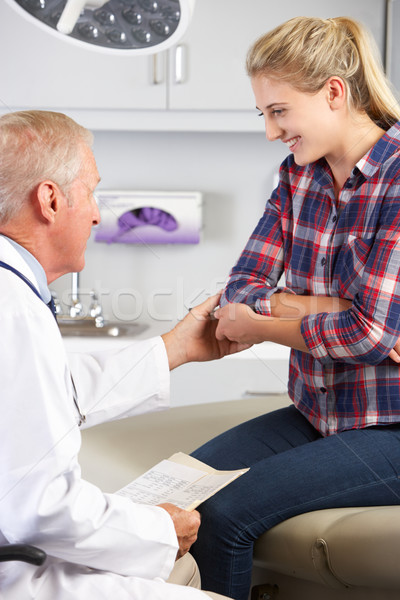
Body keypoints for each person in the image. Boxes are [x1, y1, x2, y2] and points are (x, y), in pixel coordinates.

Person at [190, 15, 400, 600]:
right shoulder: (296, 177)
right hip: (319, 414)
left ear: (334, 92)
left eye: (278, 111)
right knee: (181, 488)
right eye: (263, 114)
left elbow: (368, 334)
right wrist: (314, 306)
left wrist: (264, 322)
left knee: (224, 516)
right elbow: (243, 285)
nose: (269, 131)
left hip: (394, 429)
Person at [0, 110, 246, 600]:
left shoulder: (15, 297)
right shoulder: (13, 310)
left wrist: (176, 348)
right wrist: (158, 529)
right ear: (50, 200)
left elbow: (46, 398)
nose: (95, 213)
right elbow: (40, 508)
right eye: (91, 192)